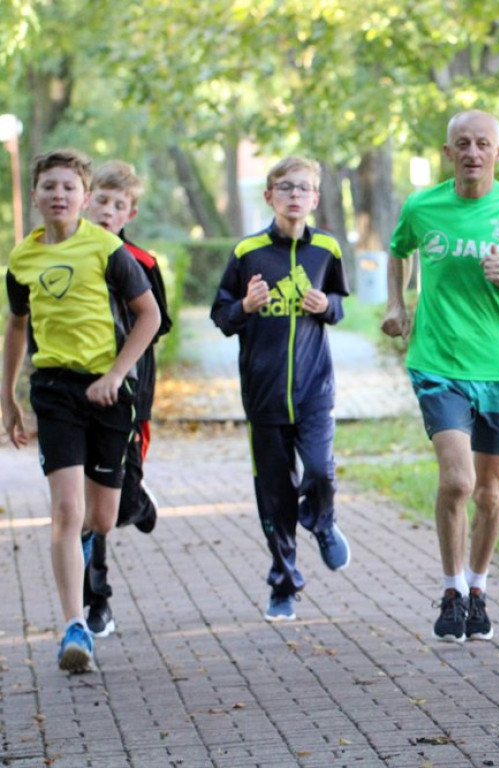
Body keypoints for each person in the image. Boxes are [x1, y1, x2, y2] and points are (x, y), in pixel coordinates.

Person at [381, 109, 499, 642]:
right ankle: (452, 588)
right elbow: (397, 252)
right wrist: (397, 304)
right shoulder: (423, 206)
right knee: (459, 480)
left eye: (483, 144)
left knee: (492, 492)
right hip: (437, 362)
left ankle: (478, 589)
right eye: (463, 143)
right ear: (448, 152)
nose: (473, 152)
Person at [2, 149, 161, 673]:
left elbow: (149, 317)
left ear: (84, 198)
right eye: (49, 186)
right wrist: (8, 397)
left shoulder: (107, 248)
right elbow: (18, 329)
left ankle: (90, 548)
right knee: (66, 512)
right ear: (35, 195)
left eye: (69, 187)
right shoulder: (21, 261)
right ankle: (75, 627)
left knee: (101, 518)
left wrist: (116, 375)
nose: (58, 195)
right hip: (55, 391)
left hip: (109, 392)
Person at [211, 155, 351, 623]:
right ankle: (284, 584)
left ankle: (324, 523)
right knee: (274, 496)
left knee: (320, 470)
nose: (295, 195)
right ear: (270, 195)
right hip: (264, 396)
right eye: (285, 187)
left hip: (315, 391)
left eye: (304, 188)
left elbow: (339, 307)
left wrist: (324, 305)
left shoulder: (326, 249)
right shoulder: (247, 252)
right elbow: (221, 315)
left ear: (315, 198)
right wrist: (246, 307)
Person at [82, 160, 174, 638]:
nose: (108, 210)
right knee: (79, 505)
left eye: (119, 205)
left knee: (117, 506)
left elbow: (155, 328)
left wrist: (131, 386)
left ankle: (138, 504)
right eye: (101, 200)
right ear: (85, 199)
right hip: (73, 394)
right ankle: (95, 598)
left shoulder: (143, 263)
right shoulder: (67, 256)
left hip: (129, 399)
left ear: (130, 213)